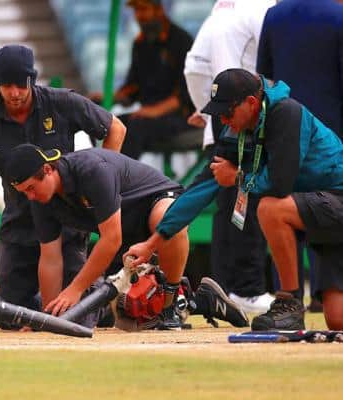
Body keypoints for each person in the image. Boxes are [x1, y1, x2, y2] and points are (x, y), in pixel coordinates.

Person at [125, 69, 343, 330]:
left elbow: (279, 183)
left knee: (270, 208)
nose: (224, 121)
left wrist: (238, 177)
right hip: (319, 215)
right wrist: (152, 243)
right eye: (219, 115)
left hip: (335, 200)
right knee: (337, 320)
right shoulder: (239, 128)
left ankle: (290, 303)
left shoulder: (286, 113)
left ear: (251, 102)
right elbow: (202, 188)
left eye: (228, 113)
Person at [0, 44, 126, 329]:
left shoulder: (61, 103)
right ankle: (45, 309)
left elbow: (116, 129)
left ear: (32, 80)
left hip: (66, 223)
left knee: (77, 319)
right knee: (11, 320)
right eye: (5, 85)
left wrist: (101, 188)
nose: (13, 93)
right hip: (20, 223)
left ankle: (103, 306)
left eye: (20, 84)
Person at [5, 143, 248, 329]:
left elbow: (111, 240)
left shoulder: (91, 169)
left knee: (167, 221)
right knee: (131, 309)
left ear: (48, 170)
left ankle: (172, 303)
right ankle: (201, 300)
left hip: (156, 206)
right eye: (24, 192)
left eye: (30, 188)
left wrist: (75, 289)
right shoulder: (41, 199)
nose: (30, 197)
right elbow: (50, 258)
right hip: (126, 234)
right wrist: (48, 316)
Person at [183, 0, 276, 314]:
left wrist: (206, 109)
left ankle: (222, 289)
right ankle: (247, 290)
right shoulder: (263, 9)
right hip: (248, 120)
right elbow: (275, 64)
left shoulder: (221, 8)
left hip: (220, 121)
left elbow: (194, 66)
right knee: (247, 202)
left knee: (226, 208)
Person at [257, 0, 343, 312]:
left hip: (284, 132)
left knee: (283, 209)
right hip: (331, 139)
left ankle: (287, 299)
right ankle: (325, 294)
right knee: (326, 216)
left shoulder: (274, 15)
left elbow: (264, 77)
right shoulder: (339, 16)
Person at [114, 0, 194, 160]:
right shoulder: (140, 44)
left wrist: (154, 111)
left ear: (158, 10)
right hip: (148, 116)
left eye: (143, 10)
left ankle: (124, 180)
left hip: (181, 117)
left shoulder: (181, 41)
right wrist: (106, 97)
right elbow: (132, 88)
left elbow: (187, 93)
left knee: (136, 127)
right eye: (136, 11)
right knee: (111, 126)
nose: (139, 16)